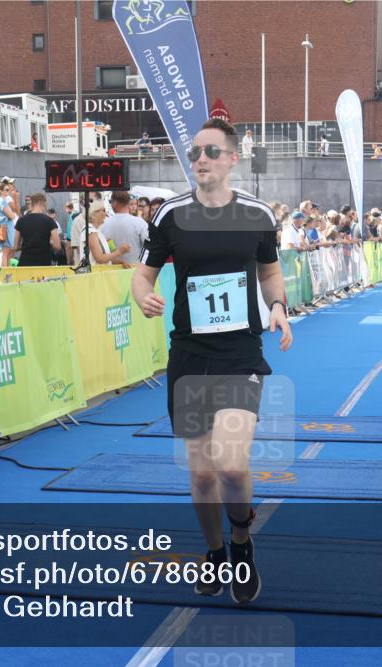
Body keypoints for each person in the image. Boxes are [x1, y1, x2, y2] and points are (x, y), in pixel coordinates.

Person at [132, 118, 292, 605]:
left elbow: (269, 270)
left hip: (240, 351)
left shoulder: (258, 214)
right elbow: (143, 276)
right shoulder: (170, 216)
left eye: (211, 152)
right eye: (195, 152)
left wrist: (280, 308)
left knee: (231, 463)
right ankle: (215, 552)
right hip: (189, 353)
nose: (200, 159)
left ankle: (242, 544)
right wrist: (142, 295)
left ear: (231, 160)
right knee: (201, 474)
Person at [72, 199, 130, 266]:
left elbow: (105, 257)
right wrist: (119, 252)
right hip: (94, 274)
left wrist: (120, 262)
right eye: (103, 210)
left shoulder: (96, 231)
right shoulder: (91, 232)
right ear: (94, 214)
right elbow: (99, 258)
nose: (106, 213)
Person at [99, 191, 149, 265]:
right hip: (136, 271)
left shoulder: (103, 225)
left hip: (112, 272)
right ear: (128, 202)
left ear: (114, 203)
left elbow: (102, 253)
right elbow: (149, 248)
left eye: (111, 202)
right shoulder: (140, 223)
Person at [15, 192, 62, 266]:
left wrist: (28, 244)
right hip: (43, 263)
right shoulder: (50, 221)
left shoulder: (21, 220)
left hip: (25, 263)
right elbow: (58, 246)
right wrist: (49, 242)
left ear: (32, 204)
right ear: (44, 204)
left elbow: (16, 247)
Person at [0, 178, 20, 267]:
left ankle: (6, 271)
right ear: (0, 191)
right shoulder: (1, 201)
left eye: (8, 190)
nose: (8, 191)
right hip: (4, 227)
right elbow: (12, 215)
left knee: (7, 250)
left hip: (4, 226)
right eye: (6, 190)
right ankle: (4, 272)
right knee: (4, 251)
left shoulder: (2, 200)